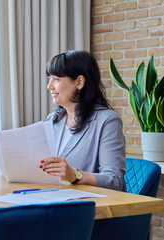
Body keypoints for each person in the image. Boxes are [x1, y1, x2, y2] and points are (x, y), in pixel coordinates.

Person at [40, 50, 126, 191]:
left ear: (79, 82)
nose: (49, 86)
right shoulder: (53, 119)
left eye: (56, 79)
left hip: (89, 206)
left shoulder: (107, 121)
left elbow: (114, 181)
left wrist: (74, 175)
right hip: (55, 198)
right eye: (49, 79)